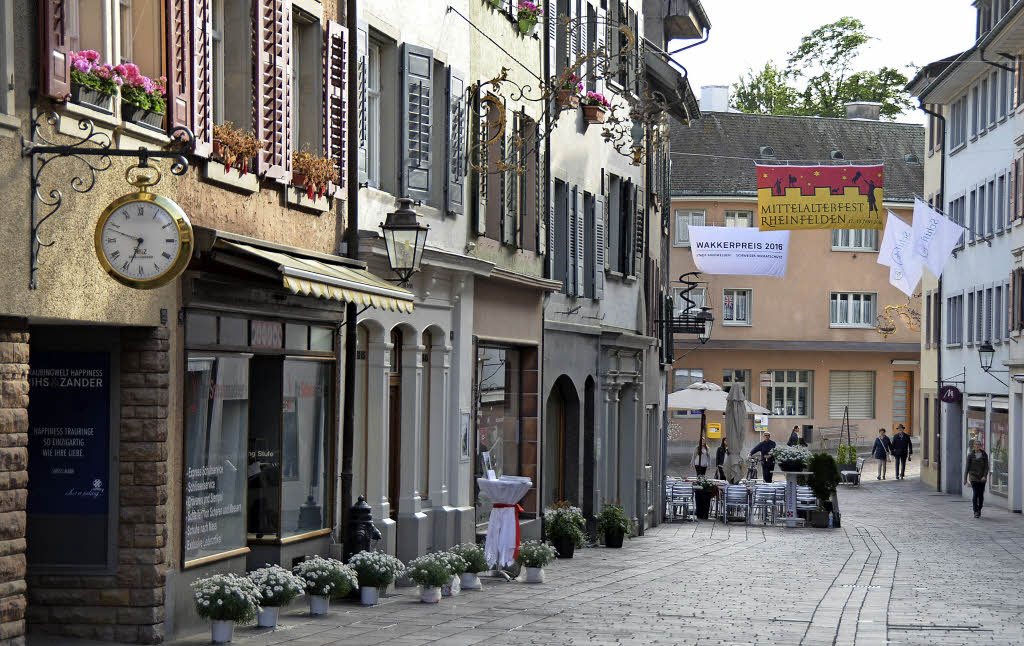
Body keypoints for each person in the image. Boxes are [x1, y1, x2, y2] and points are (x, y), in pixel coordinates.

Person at [964, 440, 990, 518]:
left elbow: (986, 467)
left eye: (979, 444)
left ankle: (979, 509)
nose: (977, 446)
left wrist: (984, 476)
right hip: (973, 477)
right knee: (975, 493)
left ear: (980, 446)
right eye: (976, 444)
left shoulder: (984, 455)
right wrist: (965, 479)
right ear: (973, 446)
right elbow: (967, 467)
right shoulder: (970, 455)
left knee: (981, 495)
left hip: (982, 478)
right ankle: (975, 511)